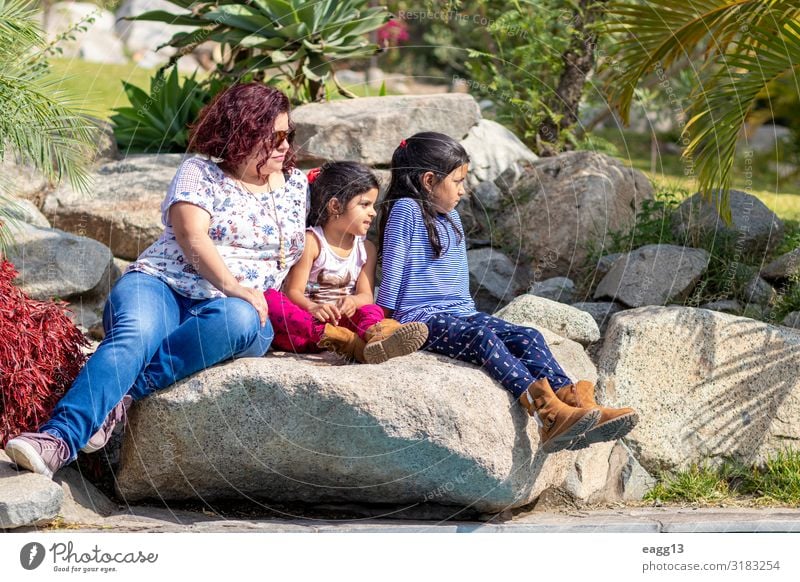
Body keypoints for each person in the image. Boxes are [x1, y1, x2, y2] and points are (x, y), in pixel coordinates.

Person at [4, 83, 307, 477]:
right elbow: (192, 235)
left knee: (242, 319)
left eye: (289, 135)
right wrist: (233, 285)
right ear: (242, 134)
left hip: (230, 314)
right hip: (161, 286)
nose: (285, 145)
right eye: (275, 137)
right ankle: (57, 440)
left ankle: (122, 395)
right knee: (135, 335)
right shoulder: (200, 172)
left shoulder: (297, 185)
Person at [376, 132, 639, 453]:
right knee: (482, 339)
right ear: (429, 180)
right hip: (421, 319)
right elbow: (393, 268)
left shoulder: (451, 216)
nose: (462, 190)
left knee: (528, 336)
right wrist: (383, 323)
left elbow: (457, 285)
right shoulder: (406, 210)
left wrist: (473, 316)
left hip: (460, 314)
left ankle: (578, 404)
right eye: (457, 182)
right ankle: (549, 416)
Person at [265, 161, 428, 364]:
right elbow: (293, 292)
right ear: (336, 206)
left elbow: (366, 296)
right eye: (365, 204)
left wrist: (353, 302)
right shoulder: (313, 242)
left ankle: (377, 336)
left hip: (344, 324)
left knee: (372, 311)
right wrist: (313, 307)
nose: (373, 212)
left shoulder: (366, 248)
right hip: (305, 330)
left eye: (373, 205)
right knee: (270, 299)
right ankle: (349, 343)